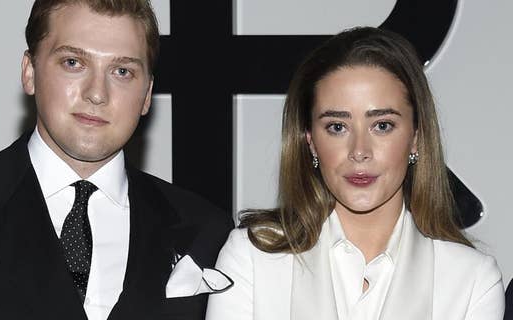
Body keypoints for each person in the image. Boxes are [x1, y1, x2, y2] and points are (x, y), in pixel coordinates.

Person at [0, 1, 232, 319]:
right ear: (29, 71)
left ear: (147, 94)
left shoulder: (206, 229)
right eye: (73, 62)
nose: (96, 93)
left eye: (122, 71)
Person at [205, 27, 504, 320]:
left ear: (416, 137)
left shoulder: (472, 281)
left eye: (382, 125)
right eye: (337, 126)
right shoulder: (252, 257)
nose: (359, 150)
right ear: (310, 141)